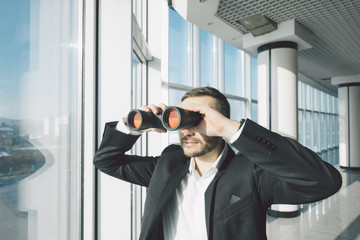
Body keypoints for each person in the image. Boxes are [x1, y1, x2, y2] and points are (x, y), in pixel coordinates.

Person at [94, 87, 342, 240]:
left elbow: (324, 182)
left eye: (198, 119)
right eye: (182, 119)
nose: (188, 131)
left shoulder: (250, 172)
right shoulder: (168, 164)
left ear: (218, 120)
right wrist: (129, 126)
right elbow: (106, 161)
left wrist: (230, 129)